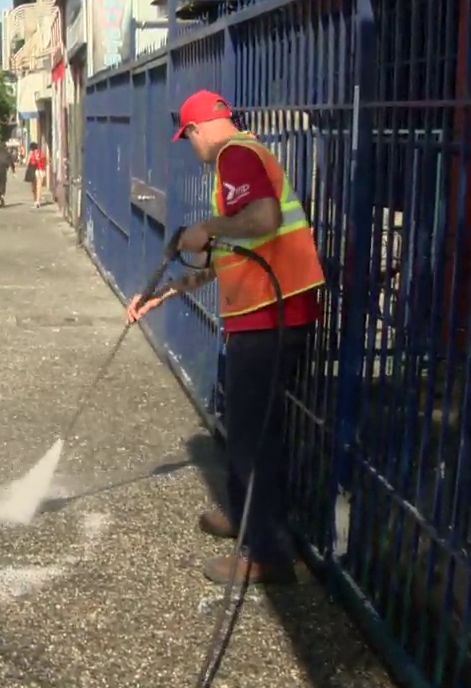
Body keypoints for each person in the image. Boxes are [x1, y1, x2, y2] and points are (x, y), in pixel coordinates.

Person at [126, 90, 325, 586]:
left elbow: (264, 219)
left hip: (270, 312)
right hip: (263, 310)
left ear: (196, 130)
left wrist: (205, 226)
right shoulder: (241, 160)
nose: (191, 146)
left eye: (188, 137)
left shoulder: (236, 154)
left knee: (253, 436)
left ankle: (266, 553)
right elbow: (226, 259)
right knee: (243, 426)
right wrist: (165, 293)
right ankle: (244, 521)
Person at [24, 142, 47, 207]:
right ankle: (38, 201)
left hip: (34, 171)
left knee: (34, 187)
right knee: (39, 186)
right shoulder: (41, 153)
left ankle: (35, 200)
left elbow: (27, 163)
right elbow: (46, 161)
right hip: (41, 170)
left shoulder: (32, 153)